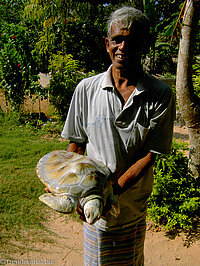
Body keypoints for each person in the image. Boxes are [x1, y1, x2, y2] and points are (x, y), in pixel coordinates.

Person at [61, 6, 176, 266]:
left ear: (143, 46)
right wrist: (73, 189)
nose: (122, 46)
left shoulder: (159, 95)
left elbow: (150, 155)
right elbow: (76, 146)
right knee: (95, 261)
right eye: (117, 39)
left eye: (131, 40)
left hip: (132, 210)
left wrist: (111, 191)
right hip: (95, 209)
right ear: (107, 44)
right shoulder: (86, 90)